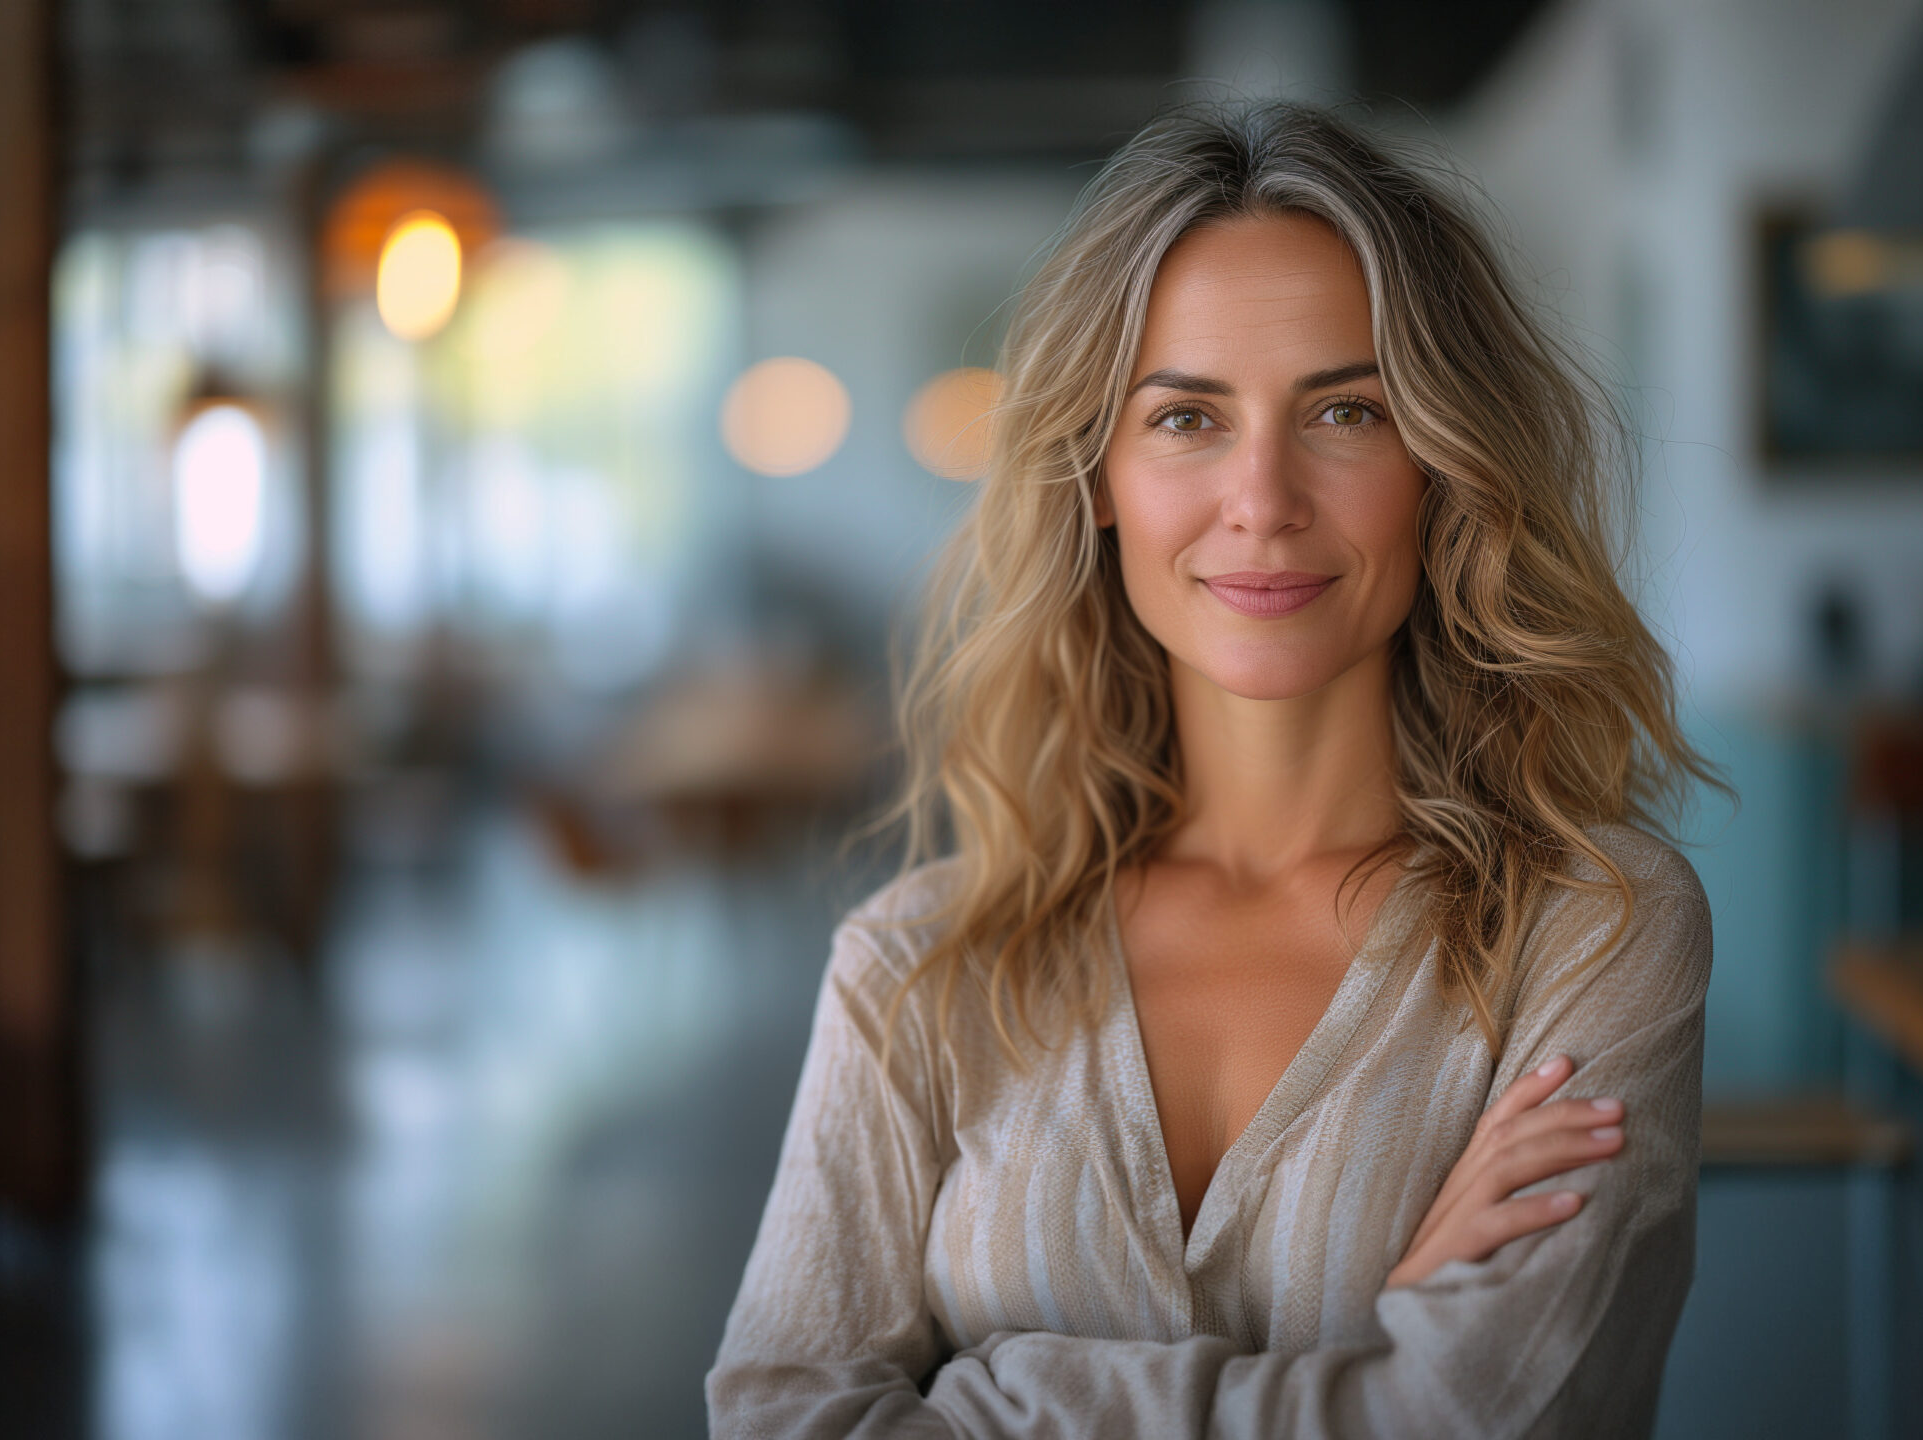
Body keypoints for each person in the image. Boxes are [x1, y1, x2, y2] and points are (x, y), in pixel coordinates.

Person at [707, 101, 1719, 1439]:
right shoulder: (915, 966)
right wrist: (1367, 1369)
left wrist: (997, 1392)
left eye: (1347, 409)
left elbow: (1484, 1423)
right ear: (1102, 471)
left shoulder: (1591, 927)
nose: (1263, 497)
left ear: (1443, 465)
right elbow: (780, 1419)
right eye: (1187, 417)